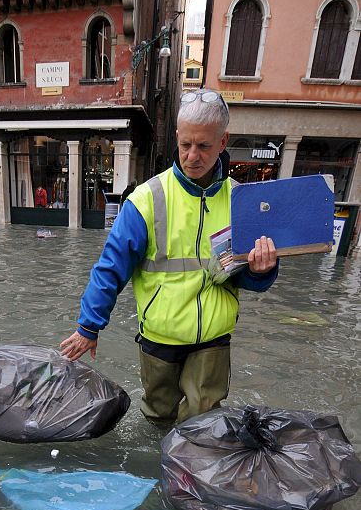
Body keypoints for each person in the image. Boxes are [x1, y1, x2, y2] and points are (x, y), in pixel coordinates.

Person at [60, 88, 279, 425]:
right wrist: (89, 327)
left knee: (202, 420)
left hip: (213, 338)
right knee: (158, 417)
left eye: (204, 146)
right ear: (177, 137)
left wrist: (262, 271)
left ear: (223, 142)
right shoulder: (146, 200)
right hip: (159, 338)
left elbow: (246, 277)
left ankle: (189, 474)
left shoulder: (241, 201)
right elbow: (109, 270)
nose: (193, 156)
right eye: (186, 144)